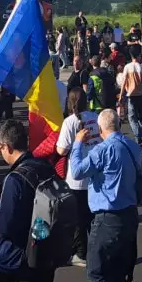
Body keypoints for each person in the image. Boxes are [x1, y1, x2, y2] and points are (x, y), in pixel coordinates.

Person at [70, 109, 142, 282]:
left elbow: (77, 171)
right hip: (130, 215)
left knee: (97, 273)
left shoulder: (102, 150)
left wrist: (78, 144)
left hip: (107, 218)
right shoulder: (133, 146)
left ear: (101, 128)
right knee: (118, 272)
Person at [0, 119, 58, 282]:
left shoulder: (15, 179)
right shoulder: (46, 167)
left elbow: (5, 226)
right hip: (46, 252)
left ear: (6, 147)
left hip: (19, 258)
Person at [55, 86, 101, 267]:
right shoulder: (96, 118)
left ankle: (81, 253)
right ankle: (95, 250)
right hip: (94, 173)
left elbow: (61, 149)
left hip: (76, 178)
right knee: (93, 217)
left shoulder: (70, 122)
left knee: (77, 220)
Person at [118, 52, 142, 147]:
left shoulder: (127, 67)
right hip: (141, 95)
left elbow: (124, 81)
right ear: (137, 56)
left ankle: (138, 135)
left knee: (131, 117)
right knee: (140, 118)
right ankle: (140, 137)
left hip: (131, 95)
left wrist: (121, 94)